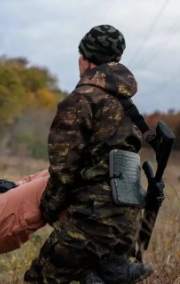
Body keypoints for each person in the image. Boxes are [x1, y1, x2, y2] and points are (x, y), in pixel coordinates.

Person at [24, 25, 155, 284]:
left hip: (94, 217)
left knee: (40, 277)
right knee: (92, 276)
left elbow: (63, 170)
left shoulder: (81, 100)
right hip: (127, 221)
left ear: (85, 59)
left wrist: (48, 209)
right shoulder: (127, 105)